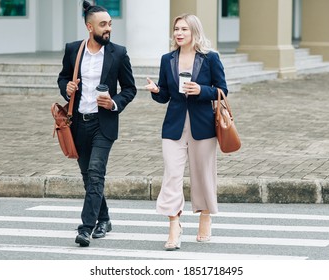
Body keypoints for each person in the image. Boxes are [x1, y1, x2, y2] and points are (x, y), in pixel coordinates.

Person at [145, 14, 228, 251]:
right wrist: (155, 90)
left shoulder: (210, 58)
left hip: (202, 125)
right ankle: (174, 224)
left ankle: (205, 216)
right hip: (174, 126)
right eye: (176, 29)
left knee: (203, 173)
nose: (179, 33)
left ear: (194, 32)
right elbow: (164, 96)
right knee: (172, 174)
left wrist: (201, 89)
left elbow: (222, 90)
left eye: (184, 29)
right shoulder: (167, 59)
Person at [57, 0, 136, 247]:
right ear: (89, 27)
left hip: (104, 124)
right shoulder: (73, 50)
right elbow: (62, 77)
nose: (108, 29)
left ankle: (86, 228)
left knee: (95, 173)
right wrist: (66, 88)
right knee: (87, 175)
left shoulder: (119, 53)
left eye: (110, 24)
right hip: (78, 123)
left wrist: (113, 103)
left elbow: (130, 89)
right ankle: (104, 218)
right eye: (103, 25)